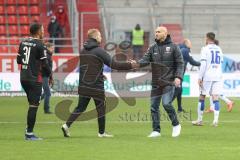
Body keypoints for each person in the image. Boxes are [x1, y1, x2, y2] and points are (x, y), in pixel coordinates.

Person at [61, 29, 136, 138]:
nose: (101, 38)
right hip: (96, 86)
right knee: (101, 108)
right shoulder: (99, 51)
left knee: (80, 108)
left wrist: (100, 74)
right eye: (100, 36)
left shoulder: (83, 50)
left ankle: (66, 125)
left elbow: (89, 67)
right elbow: (114, 65)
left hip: (83, 84)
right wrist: (130, 65)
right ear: (96, 37)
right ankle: (101, 133)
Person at [134, 26, 184, 137]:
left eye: (158, 32)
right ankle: (156, 130)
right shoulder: (152, 48)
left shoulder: (174, 47)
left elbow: (180, 63)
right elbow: (145, 60)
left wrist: (178, 77)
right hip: (156, 82)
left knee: (166, 104)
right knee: (153, 106)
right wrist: (136, 64)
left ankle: (176, 125)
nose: (156, 33)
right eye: (155, 32)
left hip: (169, 81)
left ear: (165, 33)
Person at [17, 23, 52, 140]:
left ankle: (28, 131)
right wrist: (50, 75)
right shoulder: (40, 45)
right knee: (34, 105)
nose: (43, 32)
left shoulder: (22, 42)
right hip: (34, 78)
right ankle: (29, 134)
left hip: (23, 78)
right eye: (42, 30)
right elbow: (45, 64)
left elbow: (18, 60)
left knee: (32, 104)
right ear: (37, 32)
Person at [192, 32, 223, 127]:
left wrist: (200, 77)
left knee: (202, 97)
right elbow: (221, 63)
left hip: (207, 76)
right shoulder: (219, 49)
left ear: (207, 38)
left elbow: (203, 64)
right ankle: (215, 121)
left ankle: (200, 120)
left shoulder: (205, 49)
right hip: (217, 76)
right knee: (215, 98)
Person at [205, 39, 234, 113]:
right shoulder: (219, 51)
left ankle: (228, 102)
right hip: (217, 73)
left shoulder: (211, 51)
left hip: (214, 74)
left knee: (214, 92)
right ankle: (212, 107)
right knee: (212, 92)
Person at [174, 39, 200, 113]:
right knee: (178, 89)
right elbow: (192, 62)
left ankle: (179, 108)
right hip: (178, 73)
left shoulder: (179, 48)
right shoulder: (186, 50)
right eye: (190, 43)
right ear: (187, 43)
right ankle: (168, 104)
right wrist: (201, 63)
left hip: (175, 72)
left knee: (179, 90)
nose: (191, 45)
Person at [41, 42, 54, 114]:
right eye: (52, 48)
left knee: (45, 92)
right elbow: (46, 66)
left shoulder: (47, 55)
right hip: (44, 75)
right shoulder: (47, 55)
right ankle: (46, 109)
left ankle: (35, 101)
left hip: (45, 75)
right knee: (48, 93)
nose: (53, 50)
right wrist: (50, 75)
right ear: (48, 47)